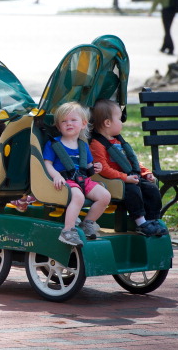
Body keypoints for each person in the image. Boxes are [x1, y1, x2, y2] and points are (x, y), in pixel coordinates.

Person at [90, 99, 168, 237]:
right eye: (119, 119)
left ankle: (153, 220)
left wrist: (145, 173)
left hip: (129, 176)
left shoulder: (118, 140)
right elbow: (104, 169)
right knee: (133, 190)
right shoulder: (97, 144)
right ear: (107, 123)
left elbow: (132, 161)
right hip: (115, 181)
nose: (122, 123)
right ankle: (141, 223)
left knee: (151, 188)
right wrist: (125, 178)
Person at [42, 101, 111, 247]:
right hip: (65, 181)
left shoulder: (83, 145)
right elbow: (47, 164)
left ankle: (87, 223)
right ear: (59, 126)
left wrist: (95, 167)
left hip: (83, 180)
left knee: (105, 196)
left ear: (83, 124)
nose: (69, 123)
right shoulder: (54, 144)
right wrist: (56, 176)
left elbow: (88, 167)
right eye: (64, 121)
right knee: (78, 197)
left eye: (73, 120)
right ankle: (67, 231)